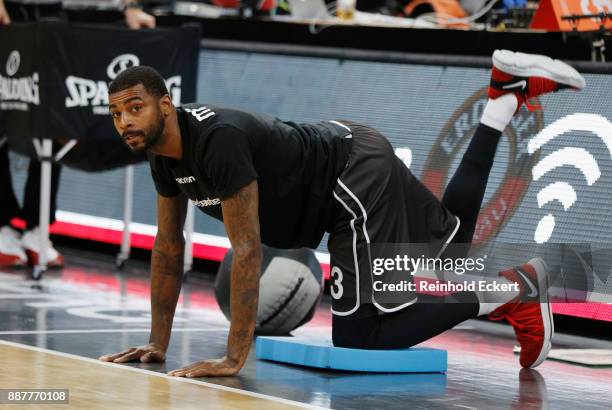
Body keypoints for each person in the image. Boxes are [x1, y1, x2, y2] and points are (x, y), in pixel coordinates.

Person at [99, 50, 585, 376]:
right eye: (117, 113)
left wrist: (233, 357)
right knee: (451, 247)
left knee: (359, 337)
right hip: (346, 155)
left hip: (348, 177)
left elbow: (247, 250)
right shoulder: (163, 154)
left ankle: (515, 289)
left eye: (135, 108)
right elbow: (167, 249)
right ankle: (502, 99)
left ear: (166, 104)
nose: (125, 122)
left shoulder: (216, 142)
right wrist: (157, 343)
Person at [0, 0, 155, 268]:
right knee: (6, 110)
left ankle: (37, 227)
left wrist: (129, 5)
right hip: (8, 14)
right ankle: (1, 225)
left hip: (55, 15)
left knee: (54, 116)